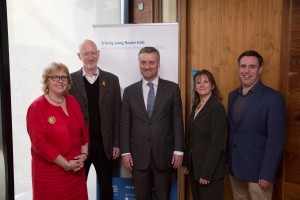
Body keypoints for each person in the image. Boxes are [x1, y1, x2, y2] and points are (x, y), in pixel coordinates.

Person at [120, 46, 184, 200]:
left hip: (164, 155)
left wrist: (178, 151)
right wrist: (126, 152)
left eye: (151, 62)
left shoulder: (172, 89)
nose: (147, 66)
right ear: (139, 64)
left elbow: (177, 122)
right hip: (138, 157)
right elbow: (125, 125)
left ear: (158, 64)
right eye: (143, 62)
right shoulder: (129, 92)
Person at [227, 50, 286, 200]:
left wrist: (268, 172)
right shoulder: (232, 95)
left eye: (252, 67)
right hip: (235, 168)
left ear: (260, 69)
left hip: (259, 173)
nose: (246, 71)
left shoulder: (273, 98)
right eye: (243, 66)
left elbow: (276, 140)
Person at [26, 62, 89, 200]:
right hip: (51, 175)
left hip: (77, 172)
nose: (60, 81)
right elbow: (40, 144)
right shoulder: (37, 107)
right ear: (46, 80)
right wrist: (67, 165)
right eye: (55, 77)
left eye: (64, 77)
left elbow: (83, 132)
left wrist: (84, 154)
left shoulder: (72, 101)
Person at [69, 39, 121, 200]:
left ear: (98, 54)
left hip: (105, 144)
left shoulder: (112, 80)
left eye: (93, 53)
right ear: (79, 56)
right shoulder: (70, 81)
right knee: (76, 187)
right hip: (79, 145)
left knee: (106, 187)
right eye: (86, 54)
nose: (90, 57)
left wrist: (117, 143)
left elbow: (117, 115)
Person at [182, 69, 227, 200]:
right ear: (195, 87)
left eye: (206, 82)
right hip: (195, 168)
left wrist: (207, 173)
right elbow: (190, 137)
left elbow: (217, 144)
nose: (201, 85)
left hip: (209, 172)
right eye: (198, 82)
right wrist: (186, 163)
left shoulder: (216, 107)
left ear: (212, 86)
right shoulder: (196, 107)